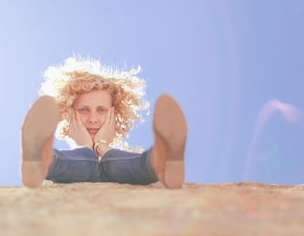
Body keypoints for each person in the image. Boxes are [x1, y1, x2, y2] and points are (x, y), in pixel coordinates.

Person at [21, 57, 188, 189]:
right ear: (69, 114)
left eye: (101, 110)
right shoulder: (68, 159)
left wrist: (102, 146)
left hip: (129, 168)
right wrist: (87, 148)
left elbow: (116, 164)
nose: (93, 119)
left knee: (115, 164)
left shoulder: (128, 157)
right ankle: (42, 159)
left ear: (114, 114)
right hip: (67, 168)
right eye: (83, 110)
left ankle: (161, 159)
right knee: (86, 162)